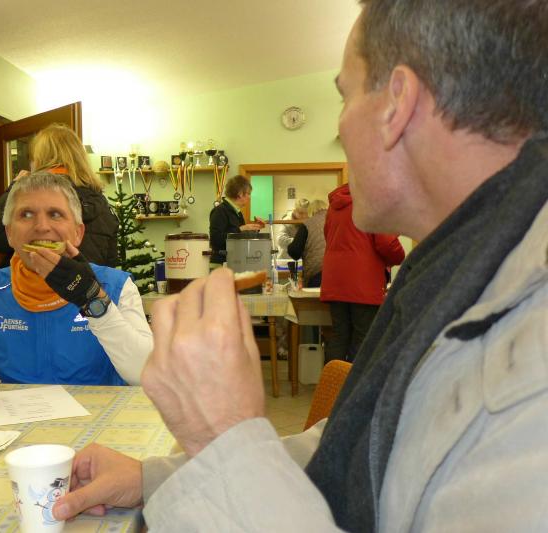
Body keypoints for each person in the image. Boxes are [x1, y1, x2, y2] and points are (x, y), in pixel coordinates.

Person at [49, 1, 548, 531]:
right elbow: (345, 456)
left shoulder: (530, 349)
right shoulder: (457, 272)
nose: (341, 127)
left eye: (345, 96)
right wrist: (157, 476)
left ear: (397, 104)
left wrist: (221, 440)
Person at [0, 171, 152, 386]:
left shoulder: (115, 286)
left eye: (55, 214)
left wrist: (93, 299)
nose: (41, 226)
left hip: (96, 420)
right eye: (26, 214)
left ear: (78, 233)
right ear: (9, 234)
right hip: (12, 422)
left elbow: (146, 375)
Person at [0, 123, 119, 267]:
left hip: (34, 280)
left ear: (39, 159)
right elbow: (111, 261)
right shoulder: (103, 205)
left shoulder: (33, 195)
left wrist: (15, 188)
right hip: (87, 280)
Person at [320, 184, 404, 362]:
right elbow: (386, 243)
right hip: (362, 282)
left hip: (335, 280)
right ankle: (355, 380)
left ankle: (332, 379)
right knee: (363, 337)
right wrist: (400, 257)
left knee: (339, 335)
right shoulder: (371, 203)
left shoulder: (334, 206)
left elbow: (328, 237)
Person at [208, 174, 265, 264]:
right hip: (221, 264)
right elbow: (216, 239)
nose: (249, 197)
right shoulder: (219, 211)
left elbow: (240, 237)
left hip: (235, 261)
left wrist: (255, 228)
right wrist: (240, 229)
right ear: (240, 194)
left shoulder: (237, 212)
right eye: (248, 194)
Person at [287, 198, 328, 287]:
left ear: (310, 211)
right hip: (337, 271)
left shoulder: (308, 224)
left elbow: (294, 252)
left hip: (316, 273)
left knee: (315, 296)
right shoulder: (336, 221)